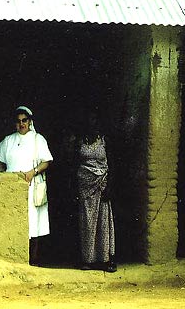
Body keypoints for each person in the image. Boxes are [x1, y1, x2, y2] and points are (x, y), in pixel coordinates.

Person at [0, 106, 53, 265]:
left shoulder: (37, 139)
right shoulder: (8, 140)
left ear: (30, 121)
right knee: (13, 222)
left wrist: (32, 172)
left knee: (33, 223)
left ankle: (33, 260)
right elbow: (0, 161)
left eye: (24, 120)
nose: (21, 124)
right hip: (12, 188)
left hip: (31, 185)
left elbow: (46, 162)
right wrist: (4, 176)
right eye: (18, 121)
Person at [70, 109, 116, 273]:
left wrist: (109, 186)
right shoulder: (79, 141)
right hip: (84, 187)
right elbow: (73, 165)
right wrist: (74, 188)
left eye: (95, 120)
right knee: (86, 223)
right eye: (90, 120)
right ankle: (87, 260)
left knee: (103, 222)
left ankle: (105, 259)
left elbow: (113, 164)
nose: (93, 123)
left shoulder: (105, 140)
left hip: (102, 185)